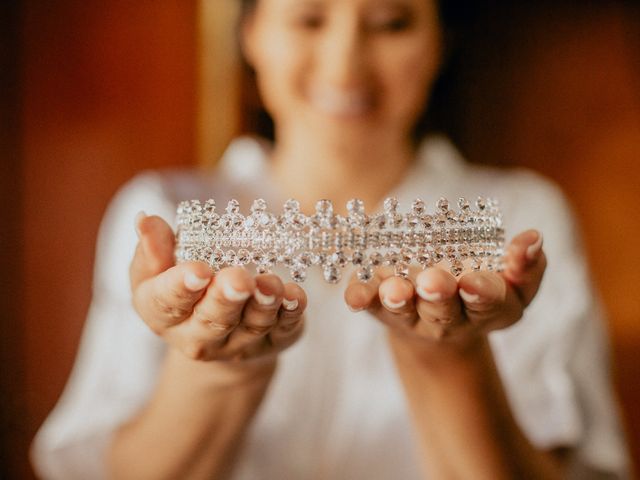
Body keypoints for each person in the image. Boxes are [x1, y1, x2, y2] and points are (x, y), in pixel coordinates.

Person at [32, 0, 630, 478]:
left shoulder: (520, 222)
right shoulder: (167, 216)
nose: (345, 65)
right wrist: (220, 372)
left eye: (392, 23)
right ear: (250, 31)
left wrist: (450, 360)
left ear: (441, 39)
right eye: (309, 17)